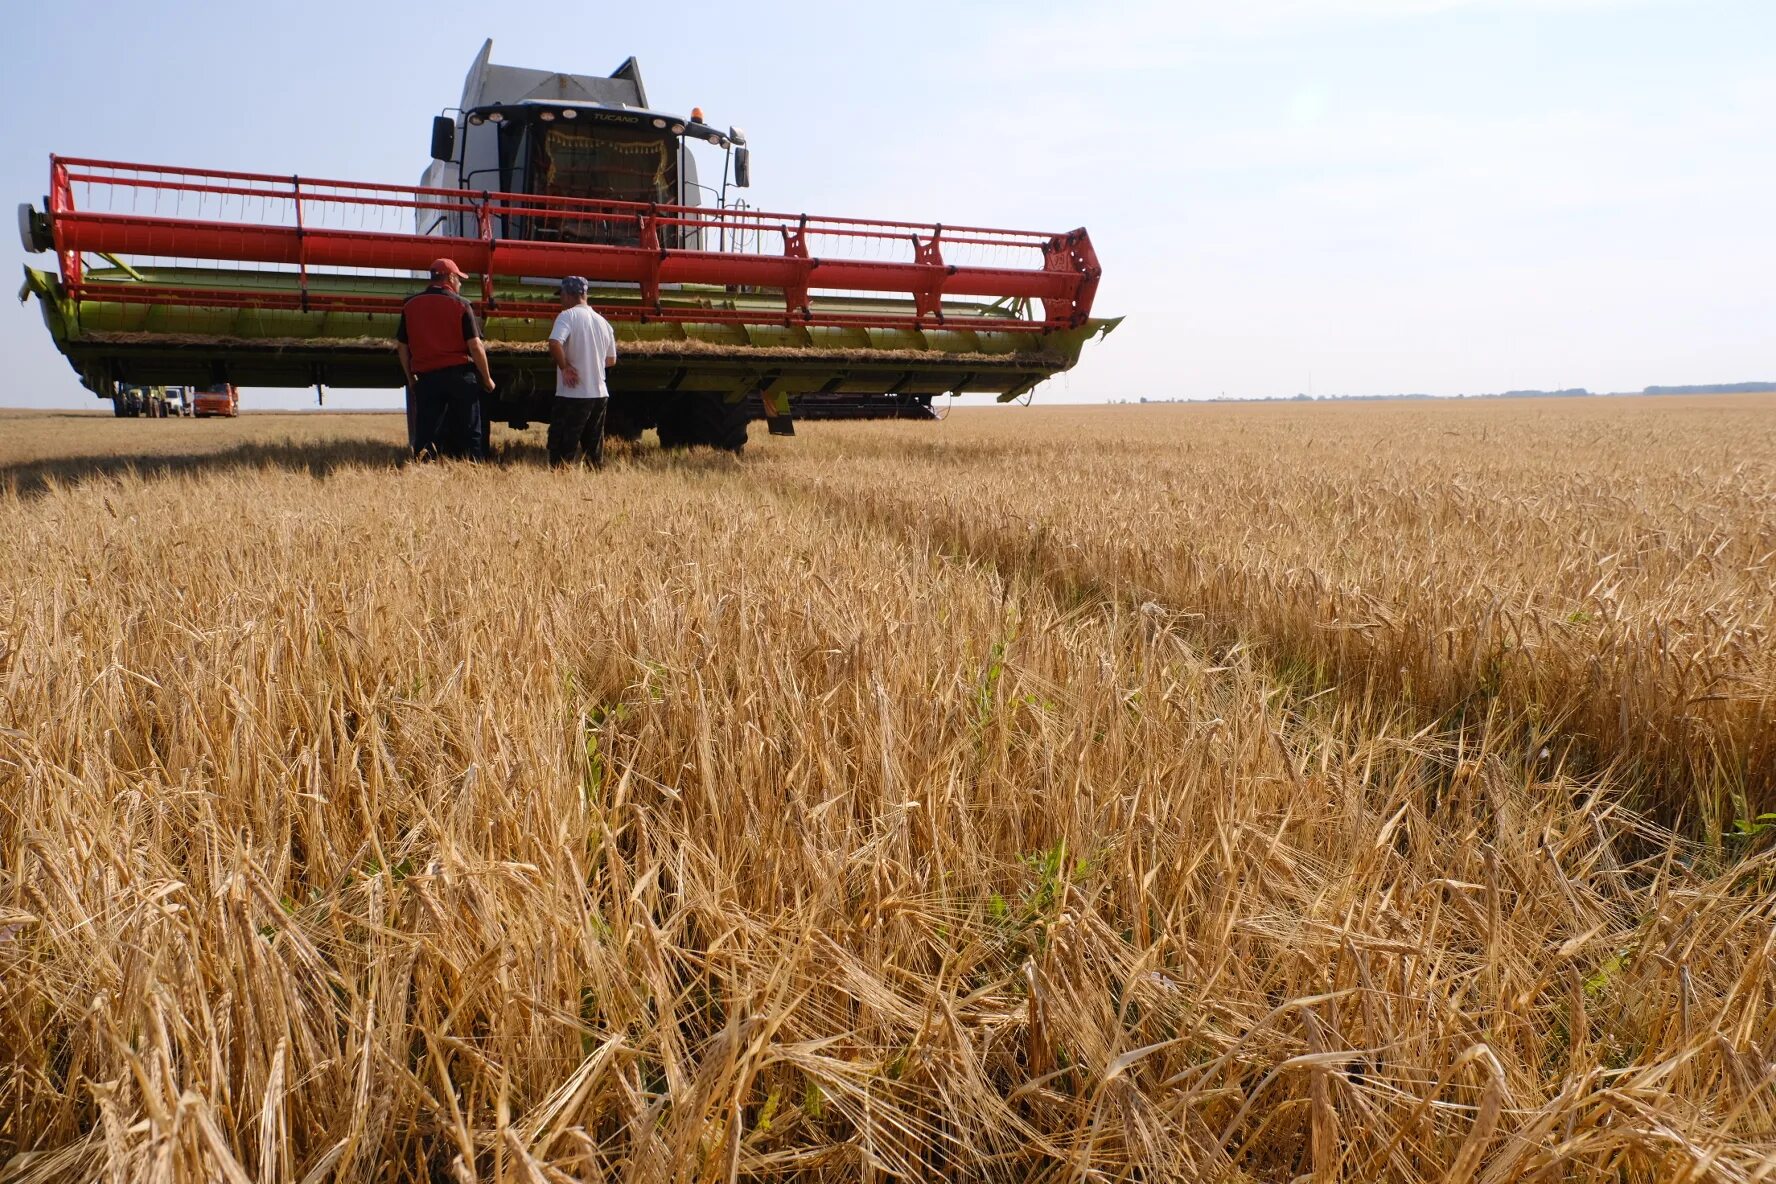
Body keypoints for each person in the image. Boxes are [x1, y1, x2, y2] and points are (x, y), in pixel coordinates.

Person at [395, 258, 496, 460]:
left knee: (426, 432)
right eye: (459, 279)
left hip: (427, 378)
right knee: (470, 432)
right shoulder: (461, 304)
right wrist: (486, 378)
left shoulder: (410, 305)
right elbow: (475, 346)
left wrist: (410, 377)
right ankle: (473, 471)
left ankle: (424, 472)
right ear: (450, 277)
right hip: (459, 377)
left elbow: (402, 346)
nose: (460, 283)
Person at [546, 276, 618, 468]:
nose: (561, 299)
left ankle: (561, 485)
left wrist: (565, 368)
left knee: (562, 450)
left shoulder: (567, 316)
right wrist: (591, 365)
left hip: (573, 393)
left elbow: (554, 343)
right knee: (593, 450)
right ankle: (594, 486)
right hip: (599, 394)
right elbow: (611, 360)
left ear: (569, 294)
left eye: (561, 294)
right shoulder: (603, 322)